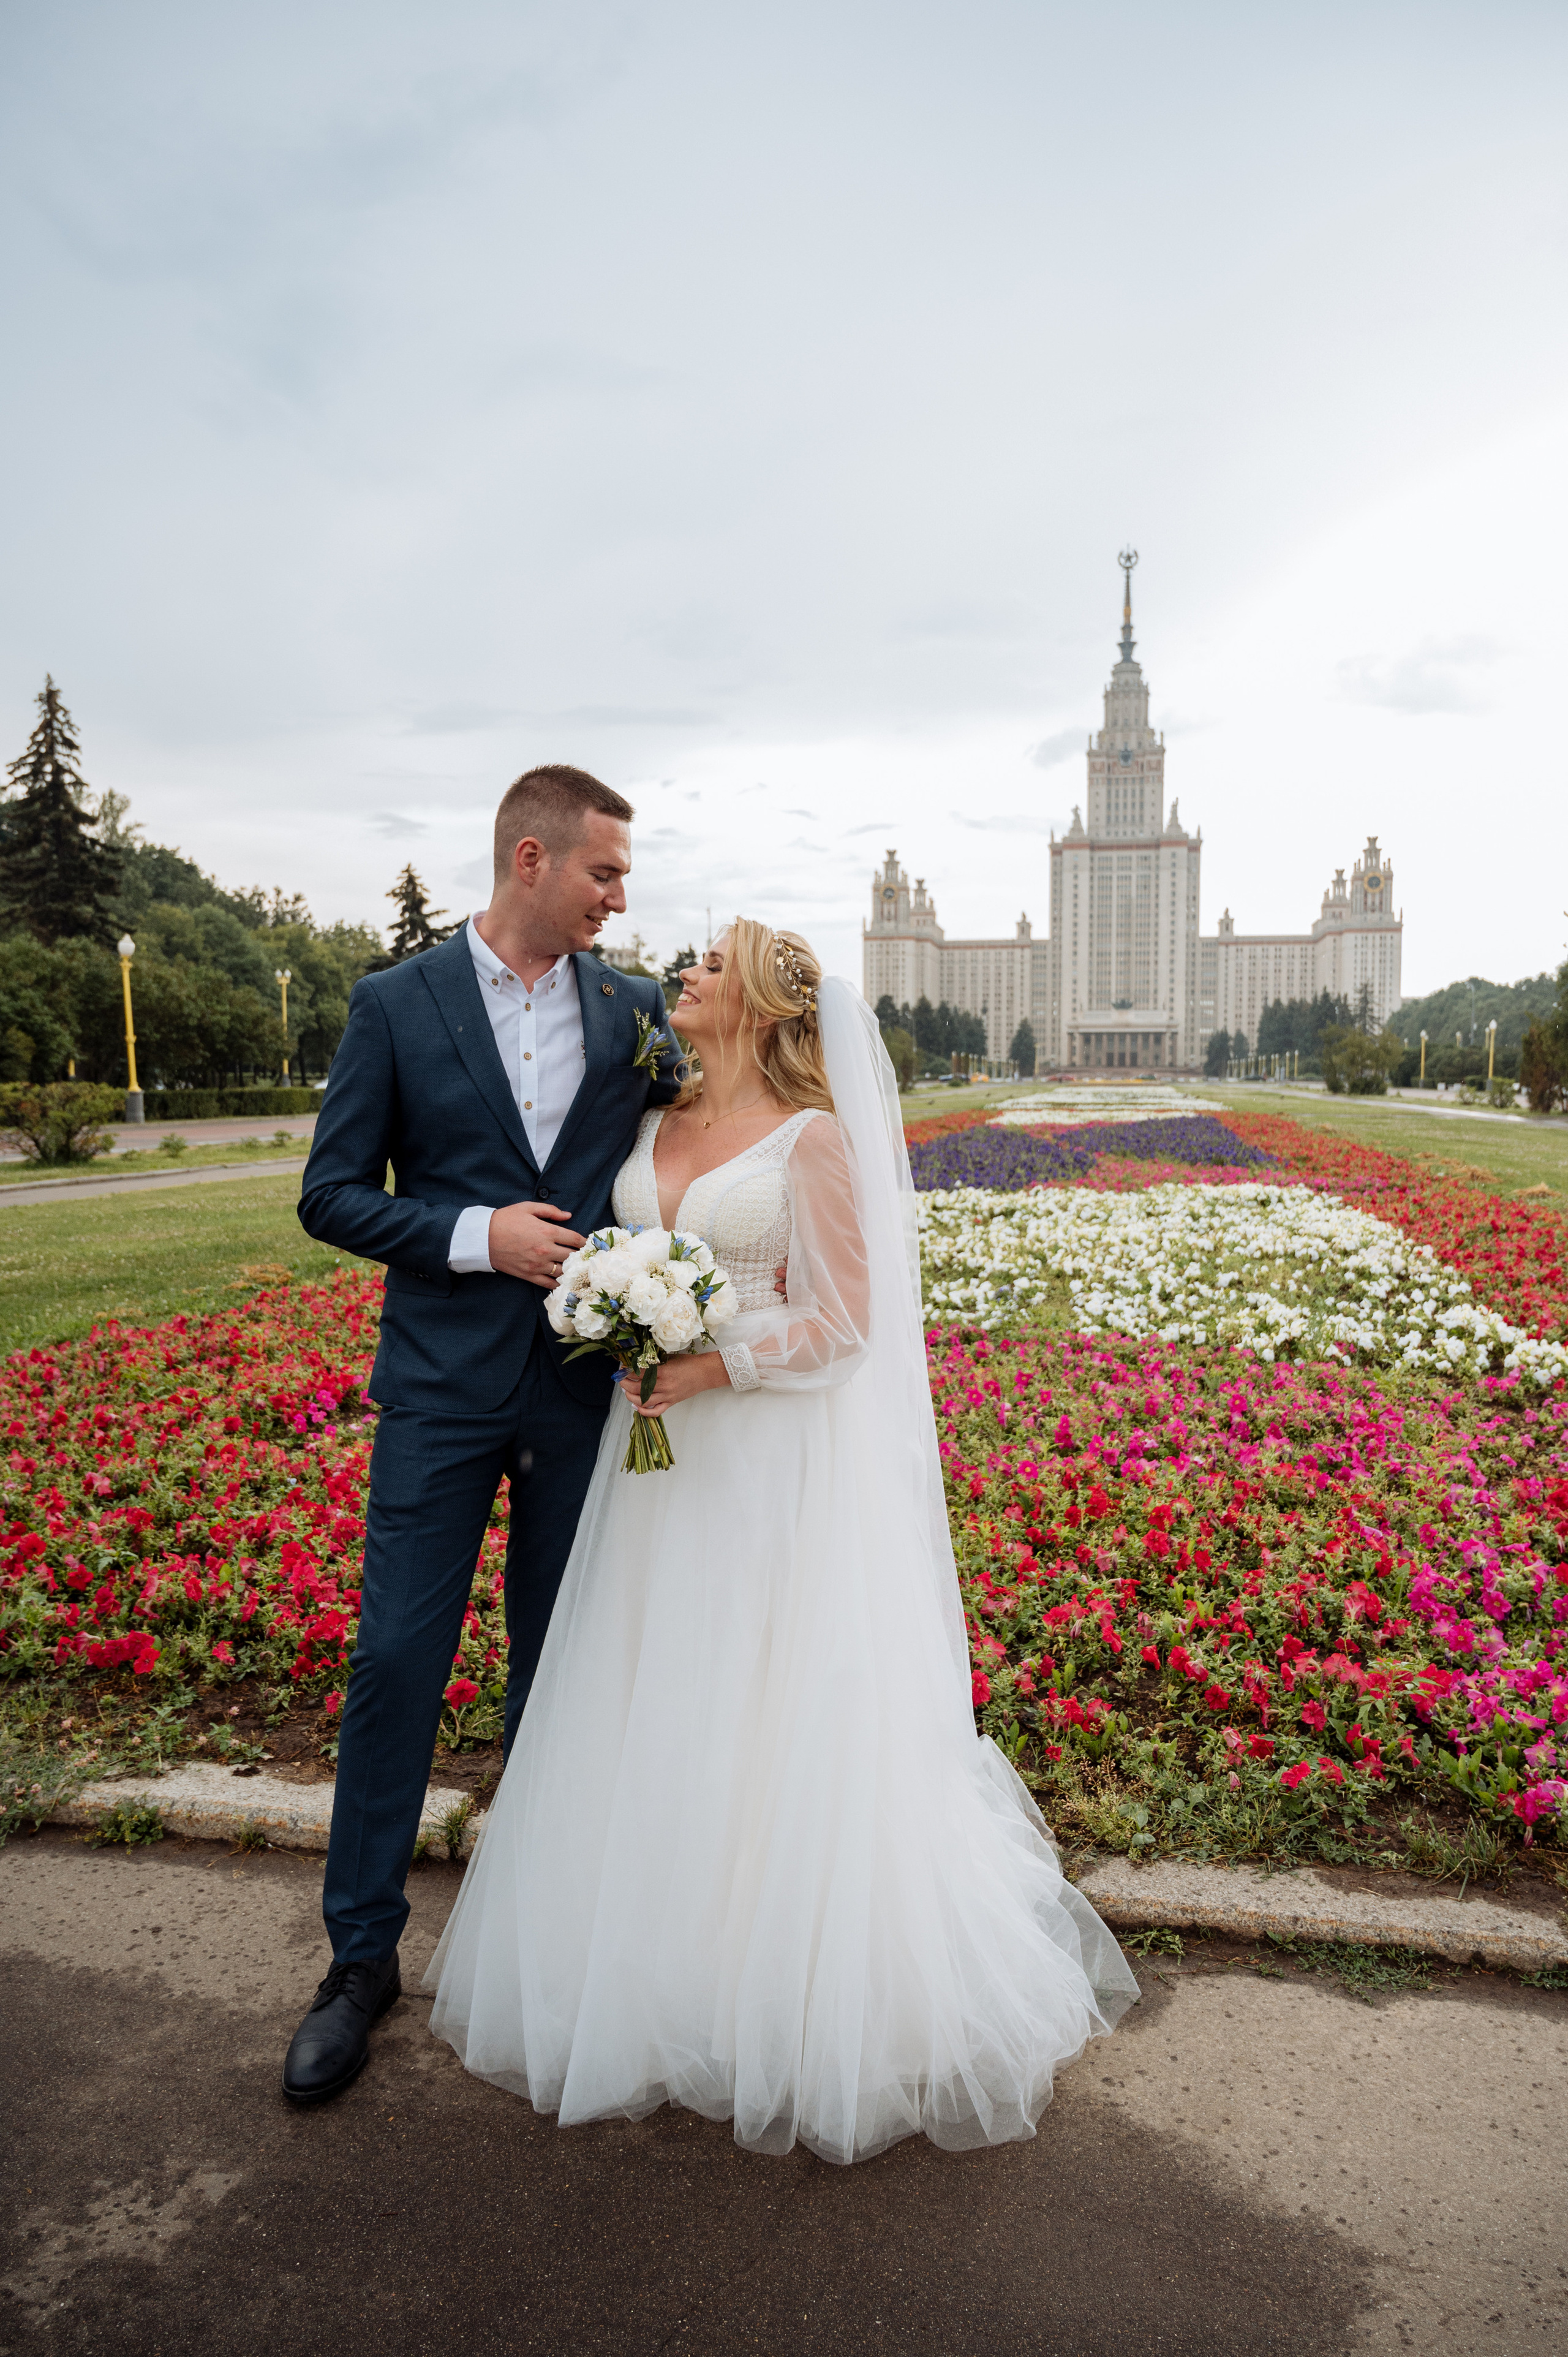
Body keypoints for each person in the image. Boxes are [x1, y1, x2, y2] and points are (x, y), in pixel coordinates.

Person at [426, 921, 1139, 2163]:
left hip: (760, 1454)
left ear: (758, 1001)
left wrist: (714, 1364)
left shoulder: (811, 1139)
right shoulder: (649, 1120)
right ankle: (659, 1963)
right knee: (659, 1686)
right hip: (652, 1462)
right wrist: (612, 1313)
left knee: (767, 1695)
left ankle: (775, 1979)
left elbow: (847, 1324)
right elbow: (620, 1244)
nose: (684, 974)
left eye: (710, 964)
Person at [281, 764, 684, 2104]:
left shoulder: (634, 1011)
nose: (618, 896)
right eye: (604, 872)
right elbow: (331, 1194)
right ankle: (359, 1962)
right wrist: (475, 1236)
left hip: (581, 1393)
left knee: (556, 1674)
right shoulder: (394, 1004)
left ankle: (541, 1936)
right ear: (531, 858)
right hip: (441, 1393)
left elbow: (696, 1141)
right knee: (397, 1660)